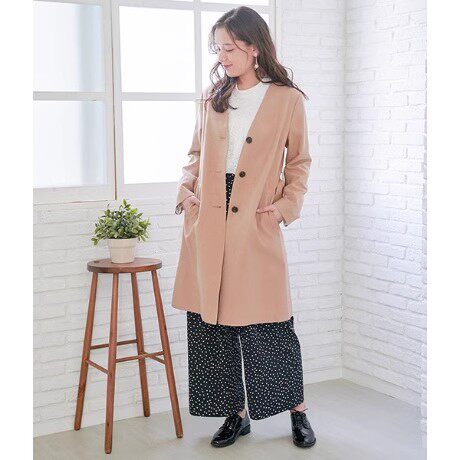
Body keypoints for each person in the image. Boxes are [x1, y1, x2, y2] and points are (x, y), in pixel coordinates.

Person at [173, 6, 316, 449]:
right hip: (209, 216)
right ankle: (235, 414)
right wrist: (186, 194)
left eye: (230, 48)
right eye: (218, 49)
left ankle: (297, 411)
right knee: (212, 323)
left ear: (254, 48)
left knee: (268, 322)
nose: (222, 57)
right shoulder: (212, 96)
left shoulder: (286, 99)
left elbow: (299, 162)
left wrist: (284, 207)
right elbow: (195, 154)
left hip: (256, 214)